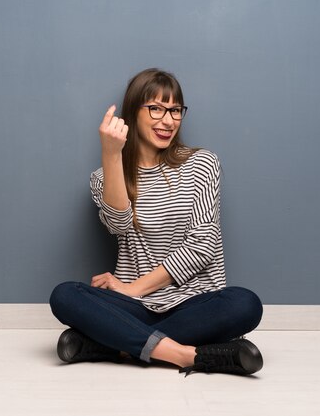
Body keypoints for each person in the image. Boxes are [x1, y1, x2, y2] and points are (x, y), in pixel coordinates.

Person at [49, 68, 264, 376]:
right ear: (132, 112)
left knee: (246, 304)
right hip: (135, 308)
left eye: (175, 110)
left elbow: (203, 247)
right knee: (65, 295)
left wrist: (131, 289)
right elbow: (118, 224)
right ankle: (187, 355)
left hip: (195, 303)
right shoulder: (103, 178)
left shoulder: (202, 163)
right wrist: (111, 155)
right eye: (156, 109)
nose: (168, 120)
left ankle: (116, 345)